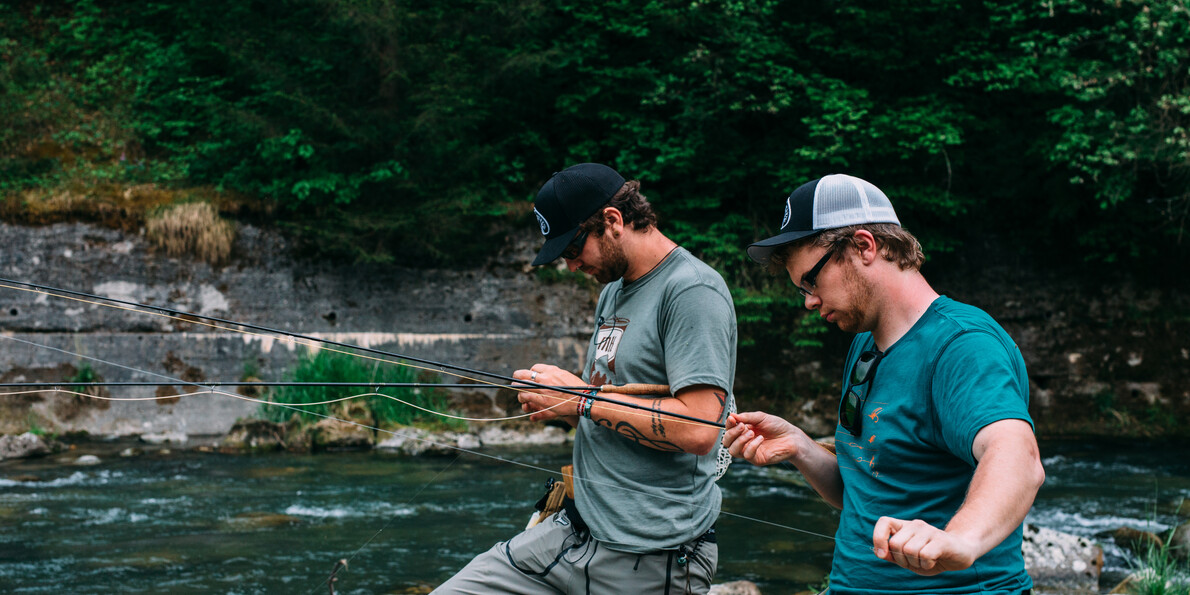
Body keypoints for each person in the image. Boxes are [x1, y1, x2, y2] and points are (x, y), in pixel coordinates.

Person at [723, 174, 1045, 595]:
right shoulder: (864, 343)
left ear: (864, 246)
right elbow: (863, 488)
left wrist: (961, 539)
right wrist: (799, 448)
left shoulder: (962, 346)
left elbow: (1018, 458)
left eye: (812, 280)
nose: (808, 301)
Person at [432, 163, 737, 595]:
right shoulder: (613, 290)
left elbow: (701, 426)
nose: (571, 265)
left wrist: (580, 401)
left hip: (652, 556)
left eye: (573, 248)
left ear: (613, 221)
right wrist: (561, 404)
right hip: (571, 533)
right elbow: (603, 405)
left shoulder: (691, 291)